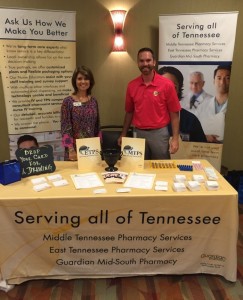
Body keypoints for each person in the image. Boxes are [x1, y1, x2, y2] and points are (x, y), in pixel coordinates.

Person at [118, 47, 181, 159]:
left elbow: (174, 113)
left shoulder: (167, 85)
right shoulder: (132, 86)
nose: (145, 64)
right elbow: (129, 112)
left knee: (160, 167)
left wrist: (175, 138)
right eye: (141, 61)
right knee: (139, 167)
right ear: (138, 63)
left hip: (159, 134)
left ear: (154, 62)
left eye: (148, 60)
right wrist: (123, 134)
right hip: (138, 133)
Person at [61, 66, 100, 161]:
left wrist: (98, 147)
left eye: (86, 78)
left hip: (91, 149)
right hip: (73, 150)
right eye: (79, 79)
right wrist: (70, 149)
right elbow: (65, 128)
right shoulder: (68, 102)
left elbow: (97, 126)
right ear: (75, 81)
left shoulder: (94, 101)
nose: (83, 81)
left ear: (90, 81)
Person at [158, 66, 207, 143]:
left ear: (178, 90)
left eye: (172, 87)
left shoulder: (190, 120)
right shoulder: (143, 117)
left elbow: (201, 152)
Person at [198, 65, 231, 143]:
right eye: (219, 78)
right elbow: (195, 130)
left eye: (227, 78)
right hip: (206, 149)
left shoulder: (238, 106)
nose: (222, 82)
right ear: (214, 81)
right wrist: (204, 136)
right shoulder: (202, 106)